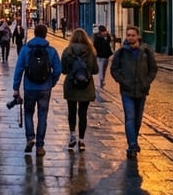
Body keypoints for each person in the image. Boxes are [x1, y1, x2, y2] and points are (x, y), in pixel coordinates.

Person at [12, 23, 62, 157]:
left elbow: (19, 69)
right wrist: (52, 82)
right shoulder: (51, 51)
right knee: (42, 116)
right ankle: (40, 146)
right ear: (46, 34)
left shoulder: (25, 49)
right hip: (45, 88)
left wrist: (15, 88)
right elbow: (58, 70)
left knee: (28, 113)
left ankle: (30, 138)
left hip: (29, 87)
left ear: (35, 34)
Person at [109, 25, 158, 158]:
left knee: (138, 119)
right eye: (128, 35)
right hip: (127, 91)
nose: (130, 37)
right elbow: (114, 69)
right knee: (130, 117)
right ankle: (132, 145)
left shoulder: (146, 51)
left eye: (132, 35)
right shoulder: (121, 52)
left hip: (142, 90)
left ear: (138, 36)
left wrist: (147, 81)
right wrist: (122, 81)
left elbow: (153, 68)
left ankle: (134, 141)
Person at [60, 28, 98, 152]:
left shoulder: (67, 51)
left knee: (71, 112)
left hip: (71, 85)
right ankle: (81, 140)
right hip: (86, 86)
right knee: (83, 113)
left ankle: (72, 135)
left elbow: (64, 70)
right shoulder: (91, 52)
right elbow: (95, 70)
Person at [92, 25, 113, 89]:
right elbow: (95, 46)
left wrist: (108, 36)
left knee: (104, 69)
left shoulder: (107, 36)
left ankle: (102, 79)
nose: (105, 33)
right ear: (100, 32)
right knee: (100, 69)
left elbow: (109, 42)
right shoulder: (98, 37)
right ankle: (100, 81)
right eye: (103, 32)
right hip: (100, 56)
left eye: (105, 31)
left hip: (106, 56)